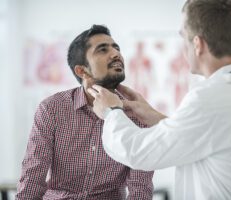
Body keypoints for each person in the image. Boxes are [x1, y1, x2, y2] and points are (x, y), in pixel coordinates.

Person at [87, 1, 231, 200]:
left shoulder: (209, 99)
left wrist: (111, 112)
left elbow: (137, 151)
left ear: (197, 44)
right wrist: (157, 117)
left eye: (184, 36)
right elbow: (218, 138)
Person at [16, 25, 154, 200]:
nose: (116, 54)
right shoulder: (51, 109)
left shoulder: (137, 113)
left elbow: (140, 188)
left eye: (116, 48)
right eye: (103, 50)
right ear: (81, 71)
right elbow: (33, 175)